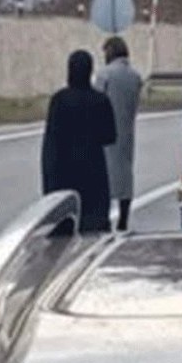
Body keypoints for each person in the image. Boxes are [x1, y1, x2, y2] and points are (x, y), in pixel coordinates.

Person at [41, 50, 117, 233]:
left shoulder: (59, 101)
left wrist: (47, 180)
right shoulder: (100, 101)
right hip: (93, 173)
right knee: (93, 230)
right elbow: (110, 136)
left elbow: (50, 142)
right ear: (90, 71)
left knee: (62, 230)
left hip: (62, 173)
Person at [94, 36, 143, 232]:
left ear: (111, 52)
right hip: (127, 130)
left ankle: (104, 216)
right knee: (125, 174)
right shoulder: (135, 76)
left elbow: (97, 101)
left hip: (104, 131)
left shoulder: (104, 75)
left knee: (104, 176)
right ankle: (124, 217)